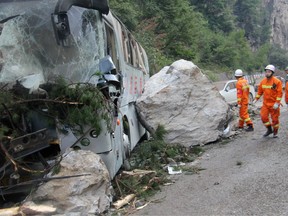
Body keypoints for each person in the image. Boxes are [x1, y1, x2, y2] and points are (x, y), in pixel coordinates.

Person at [254, 64, 283, 138]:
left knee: (275, 120)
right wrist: (256, 99)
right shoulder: (263, 81)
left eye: (269, 72)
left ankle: (275, 132)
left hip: (274, 104)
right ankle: (269, 129)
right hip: (266, 104)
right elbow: (260, 91)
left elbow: (280, 93)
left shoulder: (277, 82)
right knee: (263, 117)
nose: (267, 73)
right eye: (266, 71)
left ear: (272, 73)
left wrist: (277, 103)